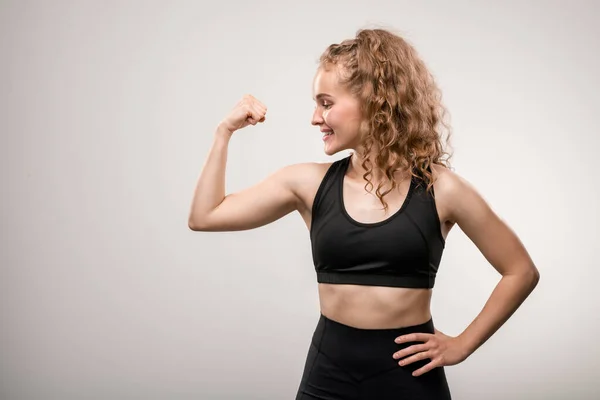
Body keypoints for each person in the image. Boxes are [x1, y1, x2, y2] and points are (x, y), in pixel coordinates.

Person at [188, 28, 540, 400]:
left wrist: (462, 345)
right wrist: (223, 132)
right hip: (328, 375)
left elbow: (520, 271)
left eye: (326, 103)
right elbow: (205, 216)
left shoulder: (443, 189)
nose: (314, 117)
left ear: (374, 100)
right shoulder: (307, 183)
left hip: (409, 379)